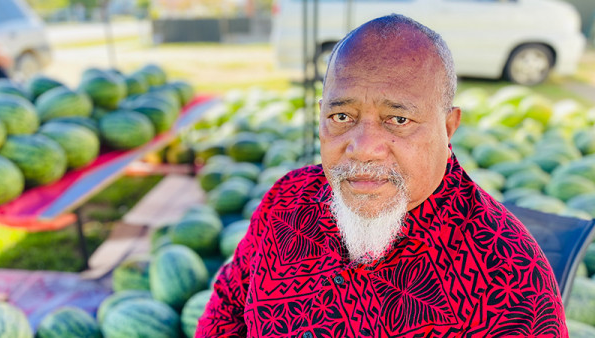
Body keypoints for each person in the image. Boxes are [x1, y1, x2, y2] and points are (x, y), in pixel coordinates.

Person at [196, 14, 568, 337]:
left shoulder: (511, 281)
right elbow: (228, 304)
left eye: (399, 120)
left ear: (448, 126)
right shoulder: (286, 200)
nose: (364, 147)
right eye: (342, 117)